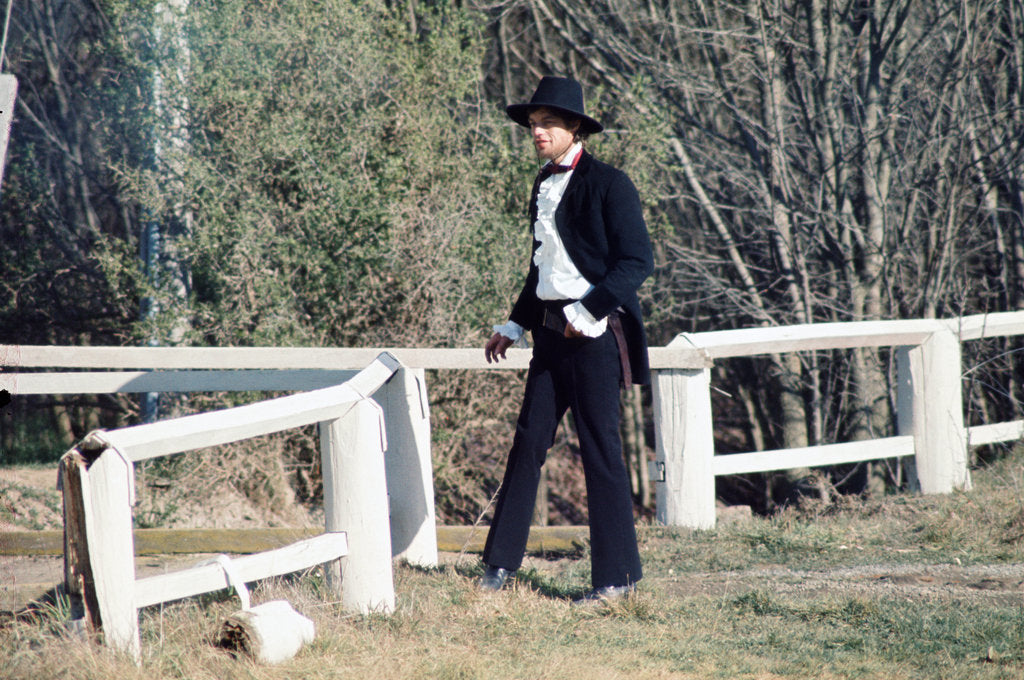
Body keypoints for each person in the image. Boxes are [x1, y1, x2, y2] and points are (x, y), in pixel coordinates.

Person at [480, 76, 654, 602]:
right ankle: (498, 566)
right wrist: (514, 323)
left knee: (600, 452)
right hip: (550, 335)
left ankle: (616, 581)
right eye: (534, 125)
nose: (538, 132)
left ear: (574, 127)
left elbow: (637, 262)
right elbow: (544, 269)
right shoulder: (542, 182)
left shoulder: (609, 183)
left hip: (596, 336)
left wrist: (590, 310)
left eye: (549, 123)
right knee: (528, 443)